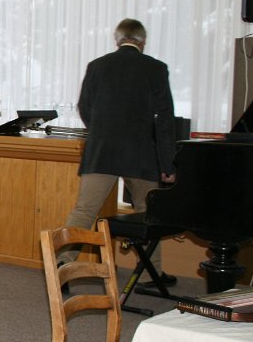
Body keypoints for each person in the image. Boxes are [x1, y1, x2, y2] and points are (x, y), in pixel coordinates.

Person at [57, 18, 177, 286]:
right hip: (141, 152)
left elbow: (84, 107)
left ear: (118, 39)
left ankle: (63, 265)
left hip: (102, 151)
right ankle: (150, 274)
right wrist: (167, 163)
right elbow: (165, 119)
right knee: (148, 212)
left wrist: (102, 132)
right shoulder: (156, 68)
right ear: (143, 42)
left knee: (84, 210)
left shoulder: (97, 66)